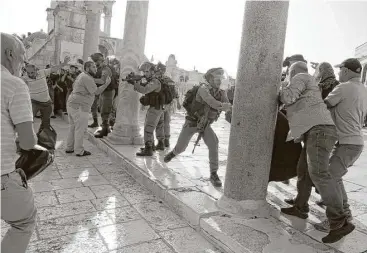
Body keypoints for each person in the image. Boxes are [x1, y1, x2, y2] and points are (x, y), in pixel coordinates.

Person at [279, 61, 354, 243]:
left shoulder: (301, 76)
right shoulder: (310, 81)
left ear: (293, 71)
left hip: (319, 131)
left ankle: (339, 220)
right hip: (314, 131)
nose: (288, 74)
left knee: (320, 175)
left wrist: (281, 87)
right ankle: (300, 207)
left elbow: (288, 97)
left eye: (289, 72)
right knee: (303, 171)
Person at [313, 58, 367, 237]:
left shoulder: (343, 88)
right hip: (354, 143)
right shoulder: (363, 89)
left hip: (348, 143)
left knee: (329, 177)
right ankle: (345, 212)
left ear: (348, 70)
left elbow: (322, 105)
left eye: (340, 69)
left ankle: (337, 219)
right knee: (335, 177)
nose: (338, 73)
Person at [164, 68, 232, 187]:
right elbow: (211, 102)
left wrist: (228, 108)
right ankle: (173, 153)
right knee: (181, 148)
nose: (219, 81)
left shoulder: (222, 92)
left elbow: (227, 106)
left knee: (214, 143)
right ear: (210, 79)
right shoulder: (203, 89)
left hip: (205, 124)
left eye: (221, 79)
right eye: (217, 79)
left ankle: (213, 173)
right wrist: (223, 106)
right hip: (192, 122)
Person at [1, 32, 38, 253]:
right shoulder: (13, 84)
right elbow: (27, 141)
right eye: (22, 57)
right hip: (2, 174)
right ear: (9, 54)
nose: (23, 63)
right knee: (24, 222)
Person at [65, 61, 111, 156]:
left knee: (73, 127)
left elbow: (74, 86)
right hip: (80, 106)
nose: (95, 68)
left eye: (95, 67)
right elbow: (97, 91)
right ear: (86, 68)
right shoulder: (87, 78)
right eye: (93, 67)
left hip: (72, 104)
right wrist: (106, 84)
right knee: (80, 129)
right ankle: (79, 151)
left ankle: (69, 148)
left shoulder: (82, 75)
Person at [22, 56, 70, 131]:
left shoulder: (42, 72)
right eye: (28, 73)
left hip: (46, 103)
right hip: (34, 102)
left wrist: (64, 63)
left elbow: (54, 68)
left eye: (32, 72)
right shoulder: (25, 78)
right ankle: (25, 136)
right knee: (28, 120)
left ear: (36, 70)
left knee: (46, 123)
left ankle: (43, 137)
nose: (30, 75)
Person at [133, 62, 166, 156]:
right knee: (157, 126)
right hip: (158, 107)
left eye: (147, 71)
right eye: (144, 72)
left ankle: (148, 149)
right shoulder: (154, 80)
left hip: (155, 108)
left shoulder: (155, 81)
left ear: (152, 71)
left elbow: (145, 90)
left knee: (148, 127)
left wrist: (135, 84)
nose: (145, 74)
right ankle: (154, 146)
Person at [90, 53, 117, 138]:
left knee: (105, 110)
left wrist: (90, 79)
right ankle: (106, 128)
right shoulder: (101, 68)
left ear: (99, 61)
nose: (94, 64)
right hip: (104, 91)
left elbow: (102, 80)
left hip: (108, 91)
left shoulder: (106, 69)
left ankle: (105, 129)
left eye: (95, 62)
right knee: (102, 109)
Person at [154, 62, 181, 149]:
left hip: (160, 104)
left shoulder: (157, 80)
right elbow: (175, 92)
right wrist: (178, 103)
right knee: (167, 123)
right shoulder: (169, 80)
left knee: (159, 123)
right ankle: (167, 141)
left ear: (159, 70)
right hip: (169, 104)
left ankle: (160, 142)